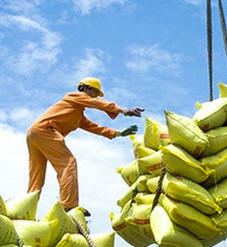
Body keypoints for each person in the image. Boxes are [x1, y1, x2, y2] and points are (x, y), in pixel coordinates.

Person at [26, 77, 144, 213]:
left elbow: (95, 128)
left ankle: (26, 208)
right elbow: (95, 103)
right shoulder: (74, 96)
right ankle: (69, 205)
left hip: (34, 133)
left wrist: (118, 133)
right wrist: (122, 110)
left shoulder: (77, 114)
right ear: (85, 88)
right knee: (68, 163)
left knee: (37, 176)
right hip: (45, 130)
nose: (96, 96)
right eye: (95, 92)